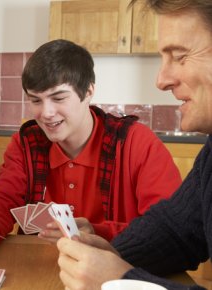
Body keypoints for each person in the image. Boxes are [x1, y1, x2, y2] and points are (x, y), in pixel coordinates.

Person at [0, 39, 182, 256]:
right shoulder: (25, 143)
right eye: (36, 100)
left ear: (88, 92)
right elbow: (3, 197)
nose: (46, 113)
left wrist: (98, 232)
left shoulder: (137, 143)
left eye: (58, 98)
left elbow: (167, 231)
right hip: (38, 269)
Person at [56, 1, 212, 289]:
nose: (161, 80)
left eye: (179, 56)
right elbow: (176, 229)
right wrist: (113, 254)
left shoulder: (135, 139)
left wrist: (123, 281)